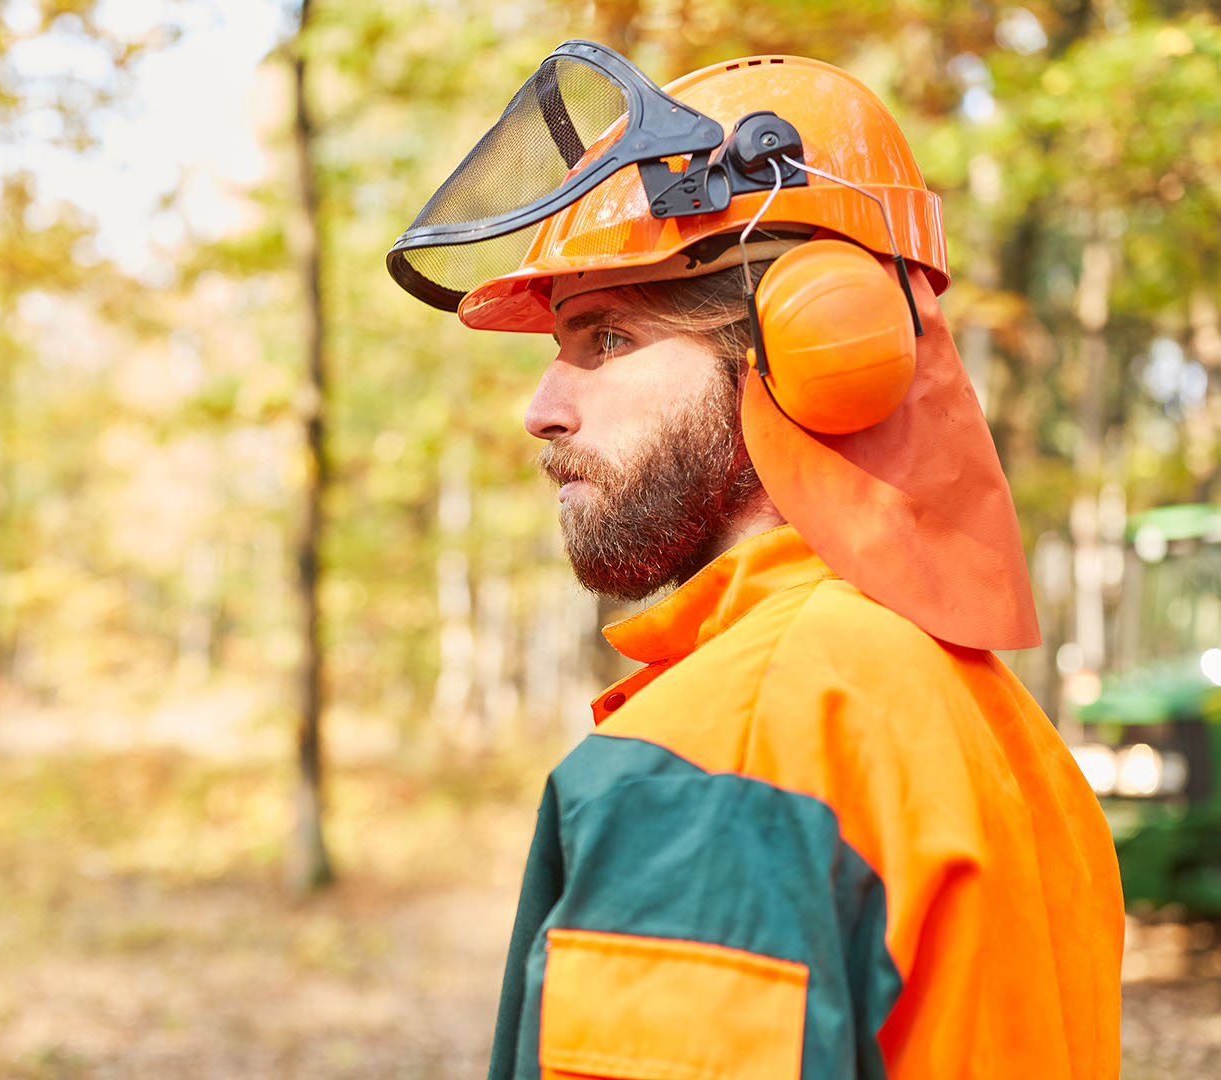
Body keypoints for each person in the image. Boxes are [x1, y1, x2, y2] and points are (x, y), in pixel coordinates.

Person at [388, 45, 1123, 1078]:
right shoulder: (1002, 733)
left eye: (606, 340)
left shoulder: (729, 742)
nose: (540, 410)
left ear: (815, 341)